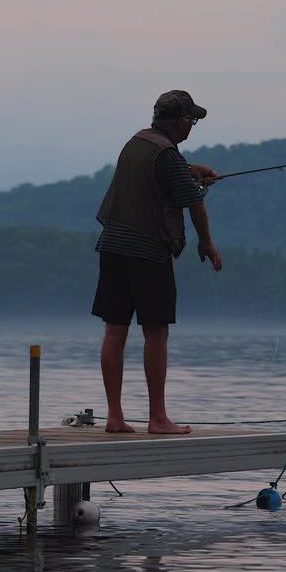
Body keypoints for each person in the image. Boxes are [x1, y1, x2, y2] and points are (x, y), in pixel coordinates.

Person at [91, 90, 222, 434]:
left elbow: (159, 175)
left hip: (113, 246)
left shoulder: (137, 143)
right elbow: (195, 204)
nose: (191, 127)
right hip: (148, 251)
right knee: (156, 332)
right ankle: (158, 418)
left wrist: (190, 169)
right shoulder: (167, 154)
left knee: (115, 329)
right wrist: (206, 243)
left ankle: (115, 417)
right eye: (191, 121)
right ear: (179, 122)